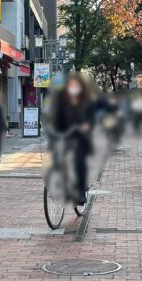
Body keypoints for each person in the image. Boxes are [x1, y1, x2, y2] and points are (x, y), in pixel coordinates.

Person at [53, 72, 93, 204]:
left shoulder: (86, 102)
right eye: (71, 85)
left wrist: (87, 126)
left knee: (79, 162)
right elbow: (57, 119)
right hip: (65, 136)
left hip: (81, 138)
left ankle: (81, 192)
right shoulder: (62, 102)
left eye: (76, 85)